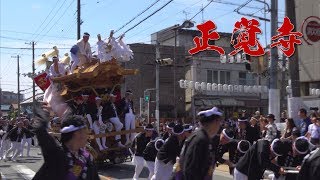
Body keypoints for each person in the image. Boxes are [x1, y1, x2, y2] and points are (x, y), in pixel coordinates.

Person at [32, 108, 100, 180]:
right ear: (77, 133)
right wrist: (46, 110)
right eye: (85, 131)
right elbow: (40, 130)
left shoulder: (87, 158)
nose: (87, 136)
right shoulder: (56, 154)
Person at [174, 107, 223, 180]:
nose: (220, 125)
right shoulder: (201, 140)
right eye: (219, 122)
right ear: (214, 122)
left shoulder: (201, 136)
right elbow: (190, 171)